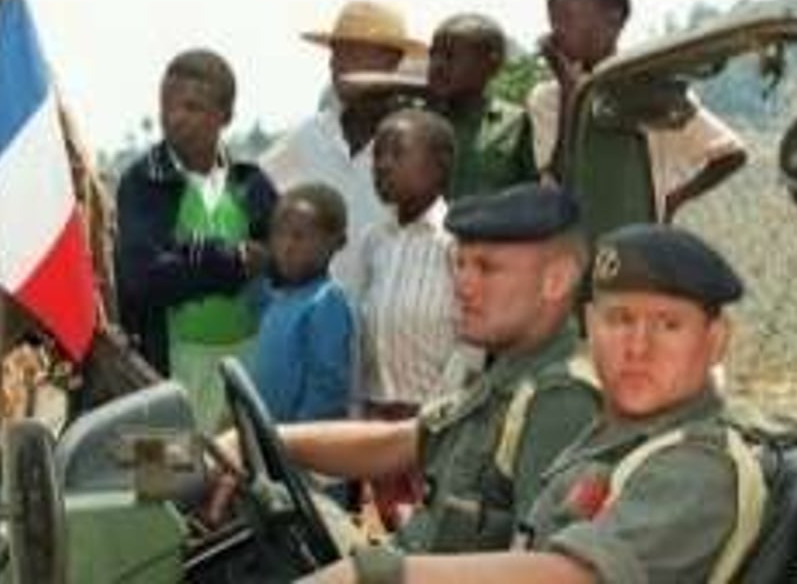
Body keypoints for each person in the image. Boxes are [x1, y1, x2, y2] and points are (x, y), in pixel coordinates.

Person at [323, 225, 766, 584]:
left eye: (669, 325)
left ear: (715, 340)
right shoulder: (613, 438)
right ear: (590, 326)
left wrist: (378, 575)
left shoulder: (695, 464)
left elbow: (572, 575)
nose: (637, 346)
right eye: (619, 319)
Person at [213, 184, 601, 554]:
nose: (462, 284)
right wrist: (263, 440)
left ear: (556, 280)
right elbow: (396, 443)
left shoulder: (559, 401)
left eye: (486, 268)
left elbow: (543, 569)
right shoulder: (504, 380)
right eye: (459, 263)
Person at [115, 48, 277, 429]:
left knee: (244, 482)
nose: (175, 118)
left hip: (246, 374)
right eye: (167, 105)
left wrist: (187, 257)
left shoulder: (250, 183)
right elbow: (144, 279)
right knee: (162, 483)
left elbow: (280, 262)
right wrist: (234, 262)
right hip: (158, 378)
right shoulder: (143, 182)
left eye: (192, 107)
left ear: (226, 116)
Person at [527, 0, 747, 225]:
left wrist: (676, 198)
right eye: (553, 21)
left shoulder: (652, 91)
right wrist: (569, 91)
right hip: (572, 249)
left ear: (614, 20)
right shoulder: (547, 98)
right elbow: (559, 180)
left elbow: (731, 153)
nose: (557, 32)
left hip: (640, 247)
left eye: (569, 19)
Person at [355, 107, 483, 527]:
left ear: (440, 164)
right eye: (377, 155)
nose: (383, 164)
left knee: (432, 534)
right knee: (394, 535)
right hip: (378, 420)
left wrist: (437, 413)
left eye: (396, 152)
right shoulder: (375, 241)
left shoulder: (457, 240)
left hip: (437, 423)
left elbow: (473, 338)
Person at [260, 1, 426, 289]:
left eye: (355, 53)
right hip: (317, 319)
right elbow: (263, 205)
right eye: (337, 53)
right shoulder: (307, 137)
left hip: (391, 321)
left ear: (393, 62)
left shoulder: (419, 143)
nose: (338, 64)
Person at [250, 182, 353, 423]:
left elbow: (327, 388)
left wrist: (295, 443)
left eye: (299, 236)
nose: (286, 246)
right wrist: (253, 276)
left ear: (336, 242)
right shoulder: (284, 298)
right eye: (279, 234)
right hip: (271, 439)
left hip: (298, 449)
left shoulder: (327, 301)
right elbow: (262, 305)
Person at [426, 13, 537, 198]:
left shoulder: (515, 122)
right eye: (433, 55)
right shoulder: (416, 120)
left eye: (449, 56)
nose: (437, 65)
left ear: (491, 64)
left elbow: (536, 194)